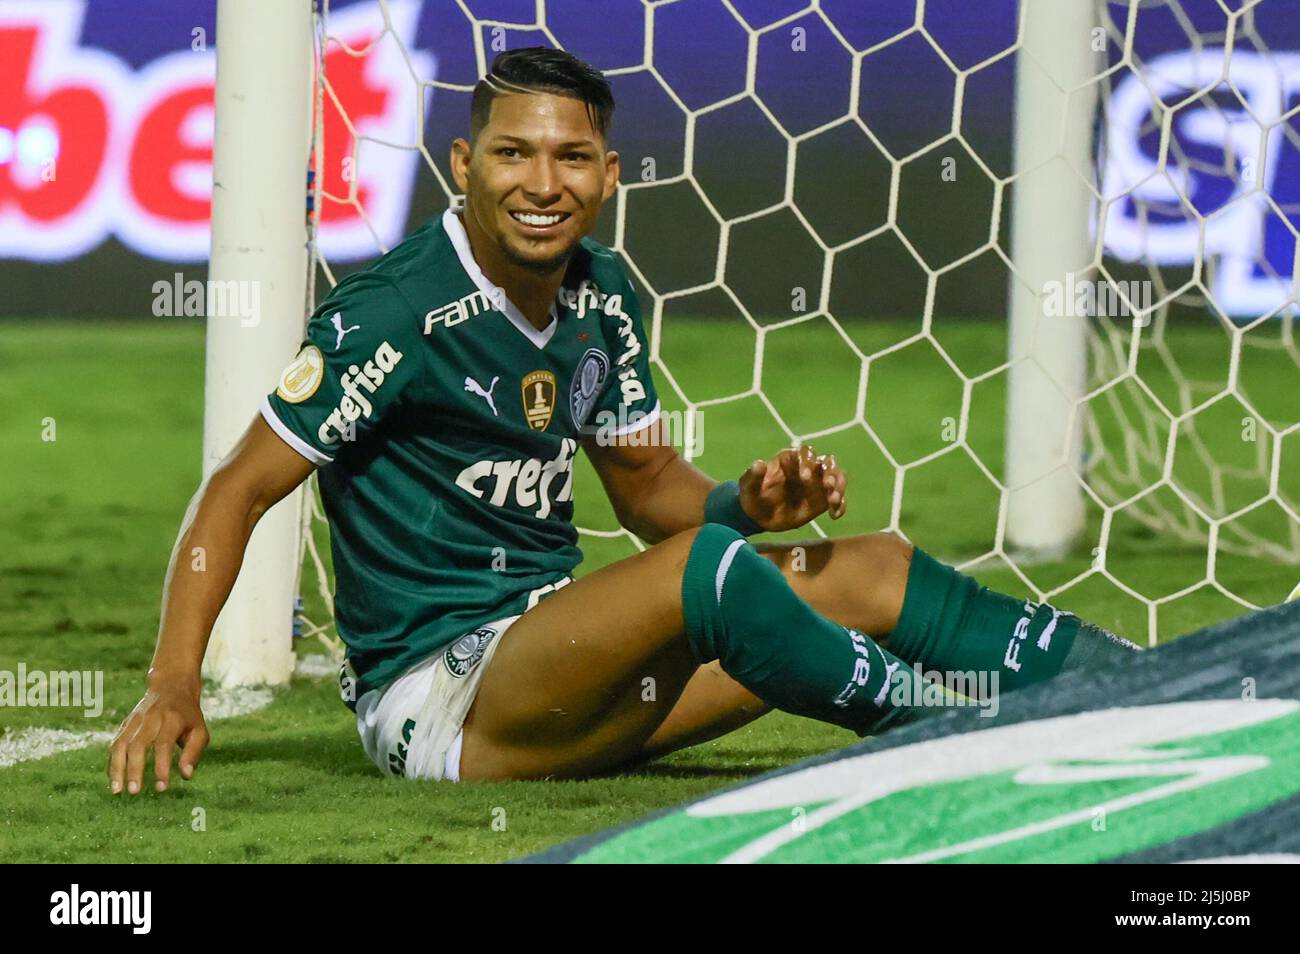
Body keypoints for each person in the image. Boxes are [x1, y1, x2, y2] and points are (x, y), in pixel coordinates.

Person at [108, 47, 1137, 794]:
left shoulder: (600, 294)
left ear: (607, 174)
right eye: (513, 156)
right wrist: (172, 684)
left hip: (576, 665)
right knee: (711, 578)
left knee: (866, 569)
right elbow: (236, 491)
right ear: (462, 166)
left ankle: (1149, 687)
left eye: (570, 160)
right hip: (446, 700)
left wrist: (748, 500)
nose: (542, 185)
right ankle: (973, 743)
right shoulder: (392, 313)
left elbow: (650, 497)